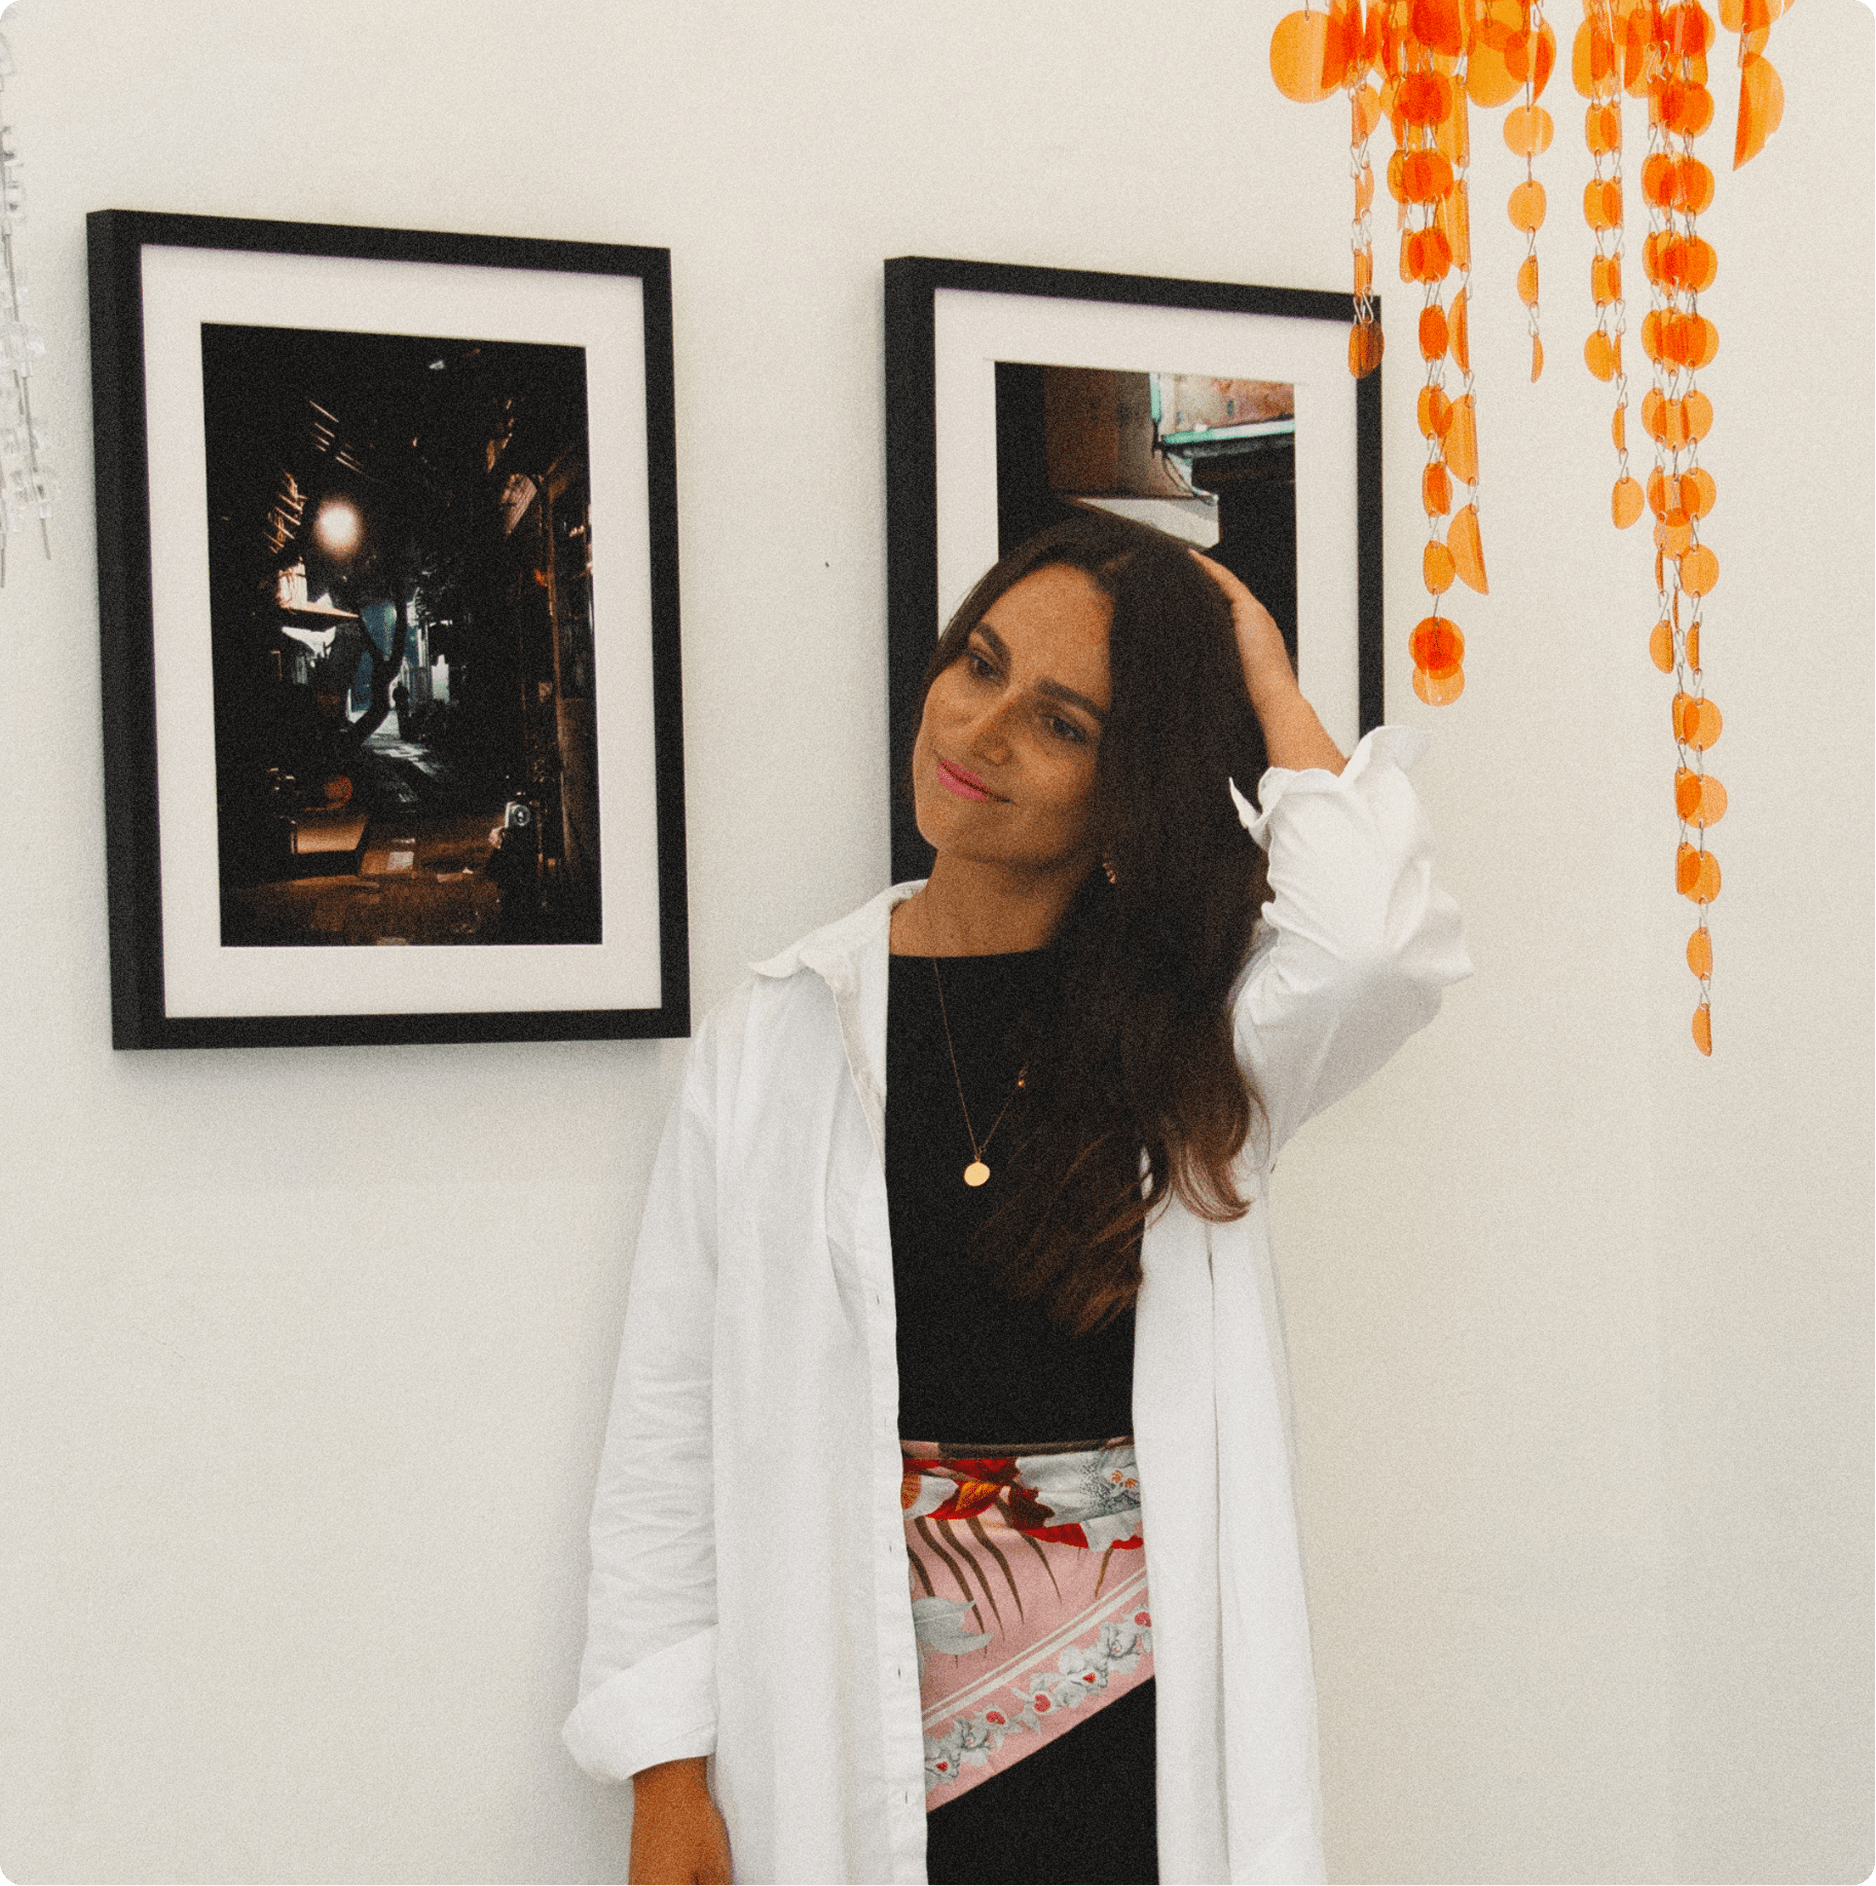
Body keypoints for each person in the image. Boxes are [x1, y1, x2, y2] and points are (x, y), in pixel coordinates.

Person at [562, 511, 1471, 1885]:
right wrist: (665, 1770)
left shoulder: (1199, 1039)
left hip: (1129, 1752)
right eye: (976, 665)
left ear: (1126, 787)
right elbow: (669, 1423)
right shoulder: (785, 1028)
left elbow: (1375, 944)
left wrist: (1263, 675)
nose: (979, 729)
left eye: (1058, 722)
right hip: (844, 1725)